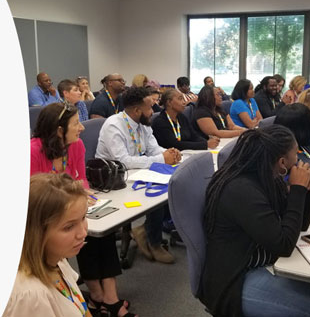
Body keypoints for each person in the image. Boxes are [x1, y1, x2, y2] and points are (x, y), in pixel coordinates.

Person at [200, 125, 310, 317]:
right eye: (296, 153)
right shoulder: (241, 190)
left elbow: (299, 226)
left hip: (264, 260)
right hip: (236, 277)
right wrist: (298, 190)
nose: (299, 157)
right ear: (282, 162)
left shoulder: (269, 176)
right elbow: (284, 245)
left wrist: (307, 192)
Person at [30, 103, 135, 317]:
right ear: (59, 130)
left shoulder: (75, 145)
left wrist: (83, 195)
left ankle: (108, 296)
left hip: (69, 209)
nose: (82, 128)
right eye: (76, 123)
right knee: (82, 232)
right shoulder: (33, 151)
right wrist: (73, 195)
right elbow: (34, 195)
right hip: (42, 219)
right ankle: (98, 296)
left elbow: (81, 180)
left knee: (101, 230)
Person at [96, 86, 181, 264]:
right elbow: (123, 161)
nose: (153, 111)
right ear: (136, 110)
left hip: (138, 172)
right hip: (113, 179)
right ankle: (154, 241)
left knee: (172, 185)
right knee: (158, 195)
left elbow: (153, 149)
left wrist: (170, 153)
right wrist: (161, 159)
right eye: (149, 108)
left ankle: (145, 231)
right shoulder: (114, 125)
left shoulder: (143, 124)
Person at [4, 173, 90, 316]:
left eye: (83, 218)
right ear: (36, 233)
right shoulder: (31, 296)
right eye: (69, 227)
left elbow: (79, 304)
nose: (83, 233)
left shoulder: (56, 258)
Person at [152, 88, 219, 150]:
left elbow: (194, 136)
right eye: (180, 99)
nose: (184, 102)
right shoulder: (160, 122)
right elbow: (174, 144)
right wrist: (204, 144)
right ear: (169, 102)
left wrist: (208, 142)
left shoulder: (181, 117)